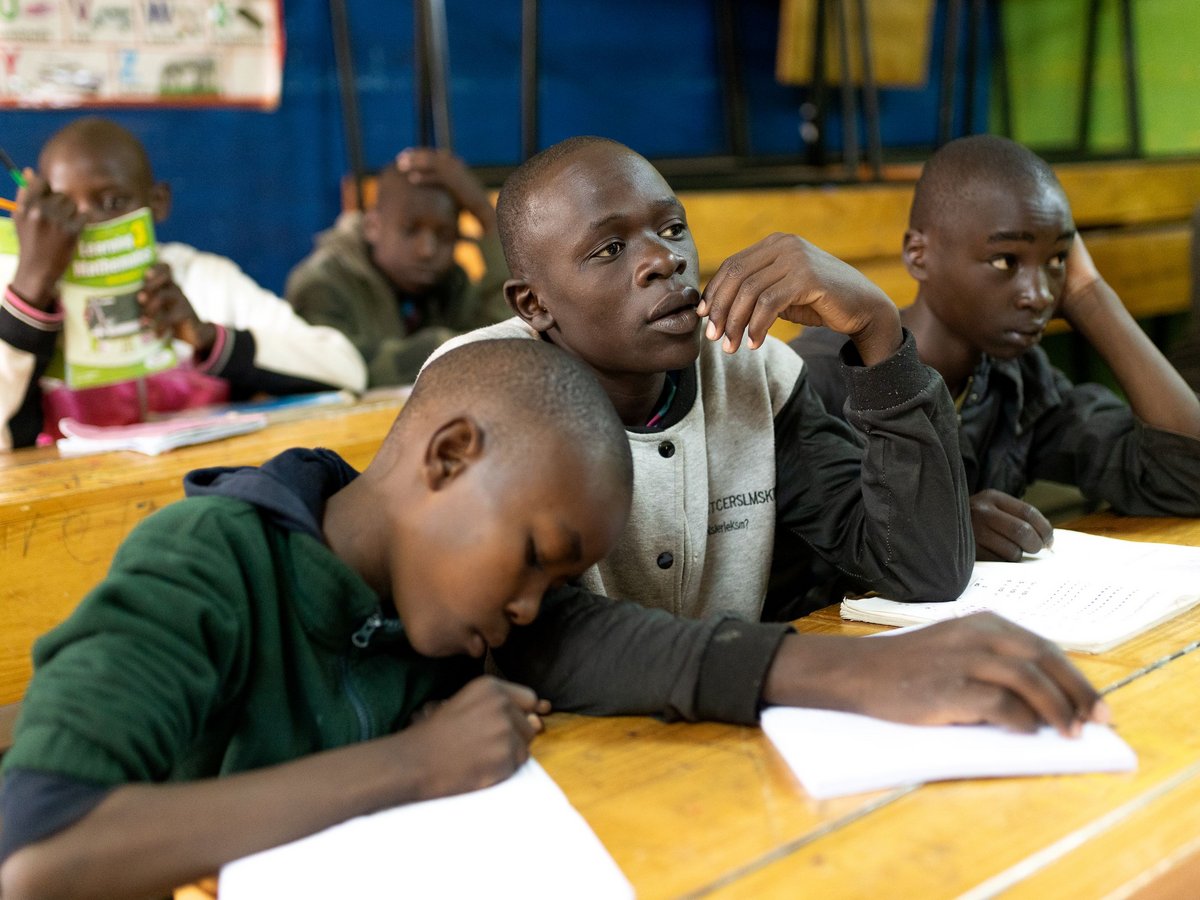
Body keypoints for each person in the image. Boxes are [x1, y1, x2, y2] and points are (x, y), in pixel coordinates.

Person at [0, 338, 1107, 900]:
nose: (530, 605)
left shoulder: (442, 602)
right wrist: (414, 767)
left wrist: (870, 675)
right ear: (447, 457)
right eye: (532, 561)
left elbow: (615, 647)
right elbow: (37, 853)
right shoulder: (210, 565)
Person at [429, 135, 974, 618]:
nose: (664, 260)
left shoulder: (752, 372)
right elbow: (554, 644)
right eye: (611, 248)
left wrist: (877, 330)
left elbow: (923, 572)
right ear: (533, 303)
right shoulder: (485, 389)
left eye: (672, 228)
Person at [791, 135, 1200, 562]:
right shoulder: (821, 380)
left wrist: (1089, 296)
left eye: (1057, 260)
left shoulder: (1019, 381)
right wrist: (944, 529)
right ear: (918, 254)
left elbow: (1187, 474)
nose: (1039, 295)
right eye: (1006, 260)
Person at [0, 117, 367, 451]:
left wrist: (207, 337)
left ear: (158, 203)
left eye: (113, 202)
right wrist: (32, 290)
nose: (90, 225)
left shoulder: (201, 279)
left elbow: (345, 367)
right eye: (65, 209)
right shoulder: (20, 287)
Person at [286, 147, 509, 387]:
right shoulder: (321, 283)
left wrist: (485, 213)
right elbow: (336, 370)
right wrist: (444, 345)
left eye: (444, 234)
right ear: (372, 226)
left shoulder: (450, 280)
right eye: (411, 230)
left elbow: (507, 340)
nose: (427, 249)